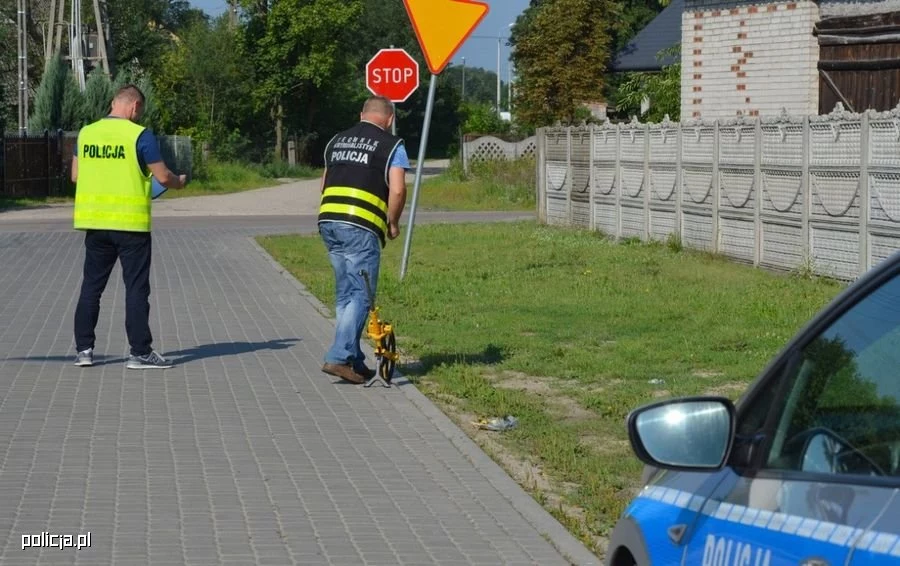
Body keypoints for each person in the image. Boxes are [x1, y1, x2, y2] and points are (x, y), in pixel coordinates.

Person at [70, 84, 187, 369]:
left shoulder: (87, 133)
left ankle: (84, 350)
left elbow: (75, 176)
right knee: (135, 289)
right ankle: (140, 353)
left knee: (91, 287)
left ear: (113, 102)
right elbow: (162, 175)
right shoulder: (139, 135)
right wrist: (178, 182)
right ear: (134, 107)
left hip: (95, 223)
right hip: (131, 226)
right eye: (140, 111)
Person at [318, 95, 410, 384]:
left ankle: (354, 361)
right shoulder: (392, 145)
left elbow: (324, 182)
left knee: (346, 293)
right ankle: (339, 356)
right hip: (360, 226)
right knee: (361, 294)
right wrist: (392, 223)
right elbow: (396, 190)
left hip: (329, 221)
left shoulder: (336, 140)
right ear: (390, 119)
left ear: (361, 114)